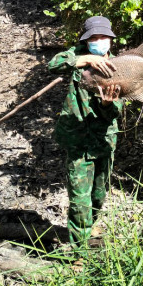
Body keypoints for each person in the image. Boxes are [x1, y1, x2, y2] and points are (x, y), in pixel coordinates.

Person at [48, 16, 123, 248]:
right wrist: (85, 59)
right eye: (93, 38)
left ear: (111, 39)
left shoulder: (119, 67)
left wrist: (107, 104)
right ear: (86, 40)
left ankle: (91, 227)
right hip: (77, 140)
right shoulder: (77, 55)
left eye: (103, 37)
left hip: (104, 139)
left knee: (99, 194)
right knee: (80, 201)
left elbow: (116, 112)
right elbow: (53, 64)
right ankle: (80, 253)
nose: (99, 41)